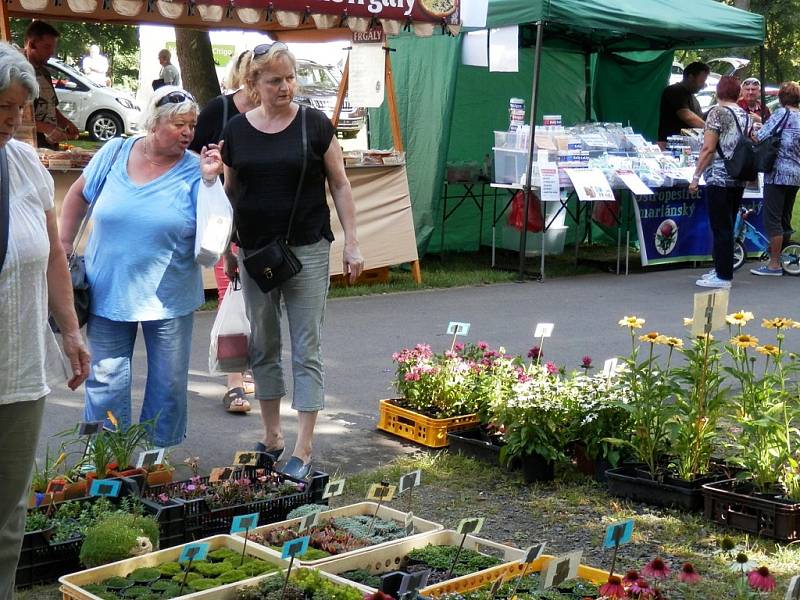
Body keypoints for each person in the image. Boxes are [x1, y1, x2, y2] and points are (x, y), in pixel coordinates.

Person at [221, 42, 364, 480]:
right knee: (263, 346)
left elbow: (339, 185)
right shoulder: (237, 131)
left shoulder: (315, 124)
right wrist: (230, 247)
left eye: (289, 78)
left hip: (306, 249)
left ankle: (303, 445)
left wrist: (352, 242)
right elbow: (230, 194)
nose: (285, 87)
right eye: (274, 80)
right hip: (255, 253)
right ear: (253, 85)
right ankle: (271, 437)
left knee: (307, 348)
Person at [59, 85, 224, 447]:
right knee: (104, 377)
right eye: (179, 124)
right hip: (106, 289)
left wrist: (211, 180)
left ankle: (155, 456)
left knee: (168, 382)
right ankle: (102, 454)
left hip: (168, 296)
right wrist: (65, 244)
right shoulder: (115, 151)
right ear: (153, 122)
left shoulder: (197, 169)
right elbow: (77, 196)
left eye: (192, 125)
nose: (188, 133)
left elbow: (216, 228)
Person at [0, 41, 89, 597]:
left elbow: (55, 253)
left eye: (19, 109)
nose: (11, 120)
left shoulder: (25, 162)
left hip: (18, 367)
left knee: (8, 516)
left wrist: (71, 330)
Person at [190, 50, 258, 414]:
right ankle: (235, 383)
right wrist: (212, 163)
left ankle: (252, 369)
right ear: (248, 76)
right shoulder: (221, 109)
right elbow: (190, 155)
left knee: (261, 302)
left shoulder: (282, 113)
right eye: (264, 76)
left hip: (264, 222)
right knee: (231, 293)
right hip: (225, 216)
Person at [689, 76, 749, 289]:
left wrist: (696, 176)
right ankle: (722, 267)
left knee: (720, 226)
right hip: (738, 176)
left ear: (718, 92)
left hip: (719, 176)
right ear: (738, 93)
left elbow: (708, 148)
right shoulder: (745, 114)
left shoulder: (717, 112)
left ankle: (723, 276)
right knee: (728, 224)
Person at [750, 81, 800, 276]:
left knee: (773, 219)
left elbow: (760, 136)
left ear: (781, 98)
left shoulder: (782, 114)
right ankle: (787, 257)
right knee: (785, 217)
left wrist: (754, 131)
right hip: (796, 174)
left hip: (778, 173)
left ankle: (774, 264)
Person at [22, 20, 80, 150]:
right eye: (47, 47)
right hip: (27, 146)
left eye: (53, 47)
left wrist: (65, 122)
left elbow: (50, 106)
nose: (51, 52)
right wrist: (47, 128)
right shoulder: (18, 72)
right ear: (31, 45)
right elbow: (17, 116)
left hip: (48, 147)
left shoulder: (44, 73)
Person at [658, 61, 710, 145]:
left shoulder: (692, 97)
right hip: (670, 146)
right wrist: (711, 130)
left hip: (685, 148)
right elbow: (688, 117)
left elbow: (699, 117)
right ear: (691, 77)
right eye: (701, 81)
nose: (703, 85)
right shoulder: (674, 91)